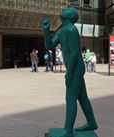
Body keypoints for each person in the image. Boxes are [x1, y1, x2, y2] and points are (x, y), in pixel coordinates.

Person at [42, 7, 97, 137]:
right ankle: (92, 122)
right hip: (74, 68)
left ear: (71, 16)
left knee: (70, 98)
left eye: (68, 10)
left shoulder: (71, 29)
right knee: (82, 97)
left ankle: (67, 130)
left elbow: (74, 53)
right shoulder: (62, 31)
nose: (64, 10)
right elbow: (49, 45)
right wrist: (46, 30)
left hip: (76, 68)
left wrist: (70, 73)